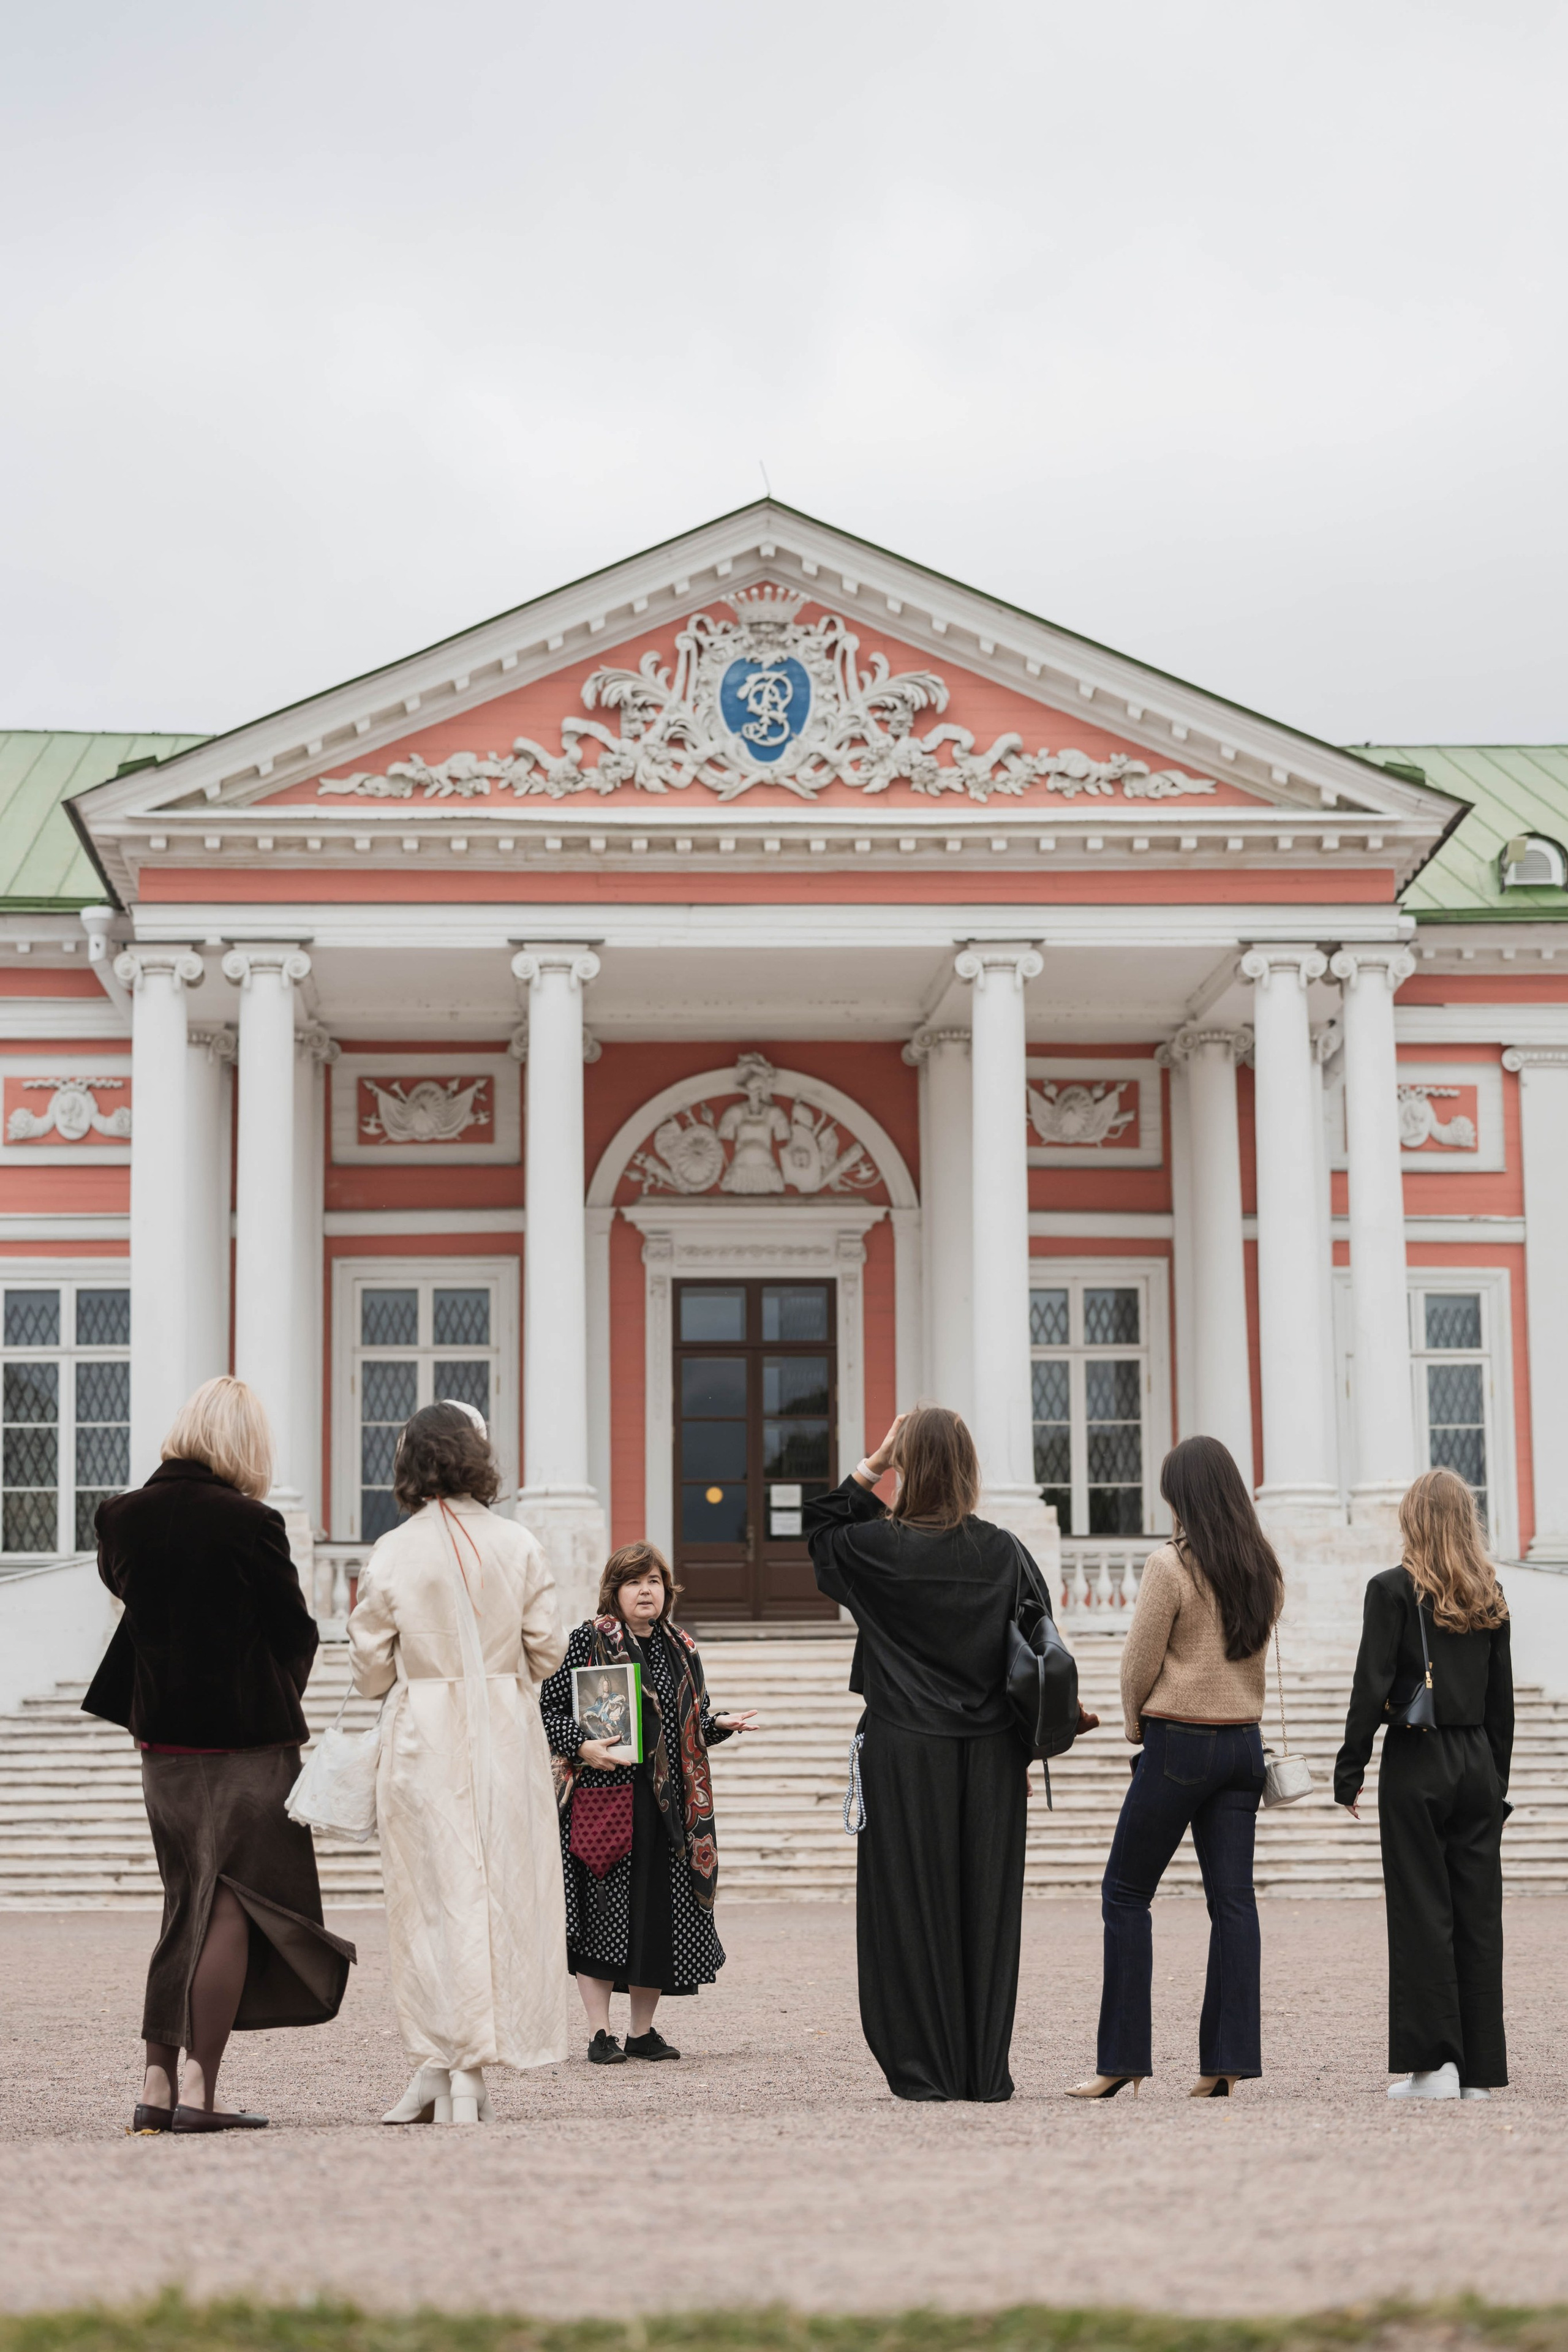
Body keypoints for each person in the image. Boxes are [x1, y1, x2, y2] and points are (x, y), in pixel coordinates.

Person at [83, 1375, 355, 2135]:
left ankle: (156, 2085)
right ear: (245, 1444)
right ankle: (201, 2089)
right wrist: (275, 1691)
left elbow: (129, 1600)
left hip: (161, 1748)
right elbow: (295, 1629)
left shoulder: (120, 1518)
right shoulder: (252, 1523)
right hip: (246, 1746)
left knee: (183, 1903)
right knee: (236, 1900)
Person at [805, 1406, 1090, 2103]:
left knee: (907, 1906)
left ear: (908, 1468)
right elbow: (1034, 1653)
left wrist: (874, 1463)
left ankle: (923, 2070)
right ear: (968, 1470)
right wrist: (1025, 1751)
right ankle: (982, 2070)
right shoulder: (1003, 1551)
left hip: (903, 1745)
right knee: (987, 1909)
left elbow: (819, 1529)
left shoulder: (875, 1548)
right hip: (991, 1749)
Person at [349, 1400, 570, 2124]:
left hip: (425, 1734)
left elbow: (370, 1671)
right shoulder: (519, 1543)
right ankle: (456, 2070)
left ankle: (444, 2064)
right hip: (503, 1728)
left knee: (428, 1902)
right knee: (500, 1890)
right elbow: (548, 1652)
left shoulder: (391, 1550)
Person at [1068, 1433, 1282, 2101]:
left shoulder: (1171, 1565)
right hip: (1243, 1745)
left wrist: (1135, 1723)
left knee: (1126, 1893)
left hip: (1179, 1744)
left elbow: (1139, 1660)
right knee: (1234, 1903)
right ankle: (1225, 2061)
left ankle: (1123, 2059)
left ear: (1182, 1496)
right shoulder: (1261, 1566)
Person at [540, 1542, 757, 2063]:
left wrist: (717, 1724)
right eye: (635, 1582)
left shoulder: (682, 1647)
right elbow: (549, 1709)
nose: (646, 1591)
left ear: (667, 1590)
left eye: (655, 1581)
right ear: (614, 1591)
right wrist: (582, 1745)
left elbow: (691, 1724)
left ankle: (642, 2033)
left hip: (670, 1808)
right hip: (604, 1799)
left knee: (659, 1914)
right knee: (602, 1915)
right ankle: (599, 2035)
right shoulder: (586, 1640)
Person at [1335, 1467, 1513, 2101]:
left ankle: (1433, 2065)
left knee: (1421, 1912)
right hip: (1475, 1761)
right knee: (1476, 1917)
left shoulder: (1390, 1591)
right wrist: (1498, 1785)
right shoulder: (1488, 1594)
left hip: (1417, 1757)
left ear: (1412, 1519)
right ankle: (1478, 2071)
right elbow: (1502, 1704)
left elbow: (1370, 1686)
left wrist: (1349, 1769)